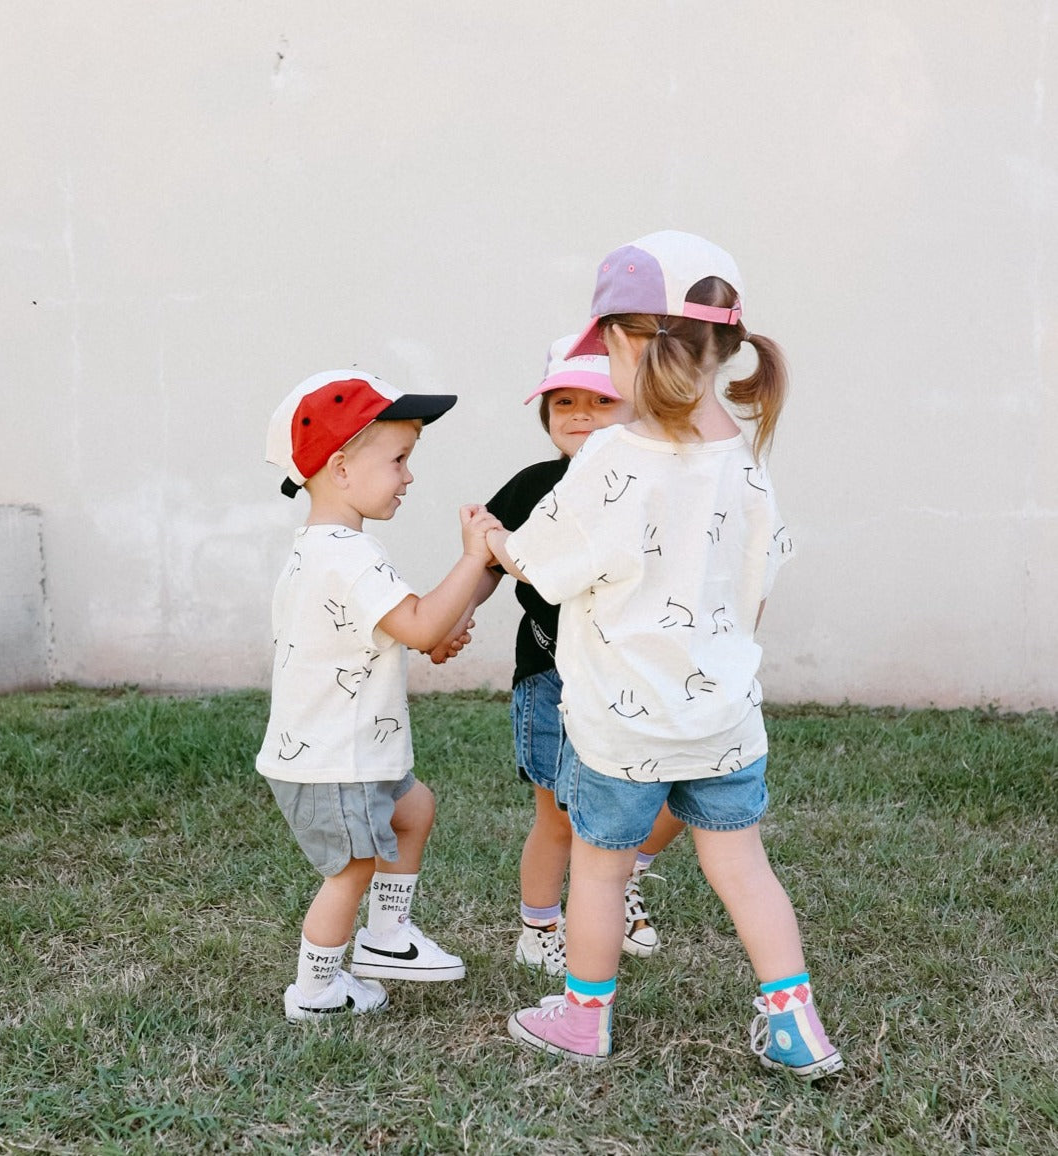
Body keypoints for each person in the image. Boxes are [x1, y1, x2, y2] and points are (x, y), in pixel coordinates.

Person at [487, 231, 843, 1079]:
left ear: (623, 343)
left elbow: (546, 561)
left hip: (620, 723)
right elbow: (761, 579)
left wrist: (494, 541)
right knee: (744, 867)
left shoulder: (612, 455)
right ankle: (797, 1027)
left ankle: (584, 1018)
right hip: (723, 716)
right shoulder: (741, 460)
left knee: (600, 870)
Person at [432, 339, 686, 976]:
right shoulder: (535, 485)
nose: (579, 413)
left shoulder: (652, 483)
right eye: (563, 402)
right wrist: (455, 620)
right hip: (551, 676)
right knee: (559, 816)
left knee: (668, 795)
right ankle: (539, 927)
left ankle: (622, 875)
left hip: (632, 676)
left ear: (637, 409)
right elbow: (486, 560)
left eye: (600, 401)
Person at [257, 369, 501, 1023]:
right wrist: (473, 559)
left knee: (413, 808)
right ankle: (314, 991)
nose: (409, 476)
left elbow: (409, 629)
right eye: (398, 460)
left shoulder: (328, 551)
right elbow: (420, 623)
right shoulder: (349, 556)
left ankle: (388, 939)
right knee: (353, 867)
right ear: (340, 468)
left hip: (354, 750)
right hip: (335, 760)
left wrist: (450, 615)